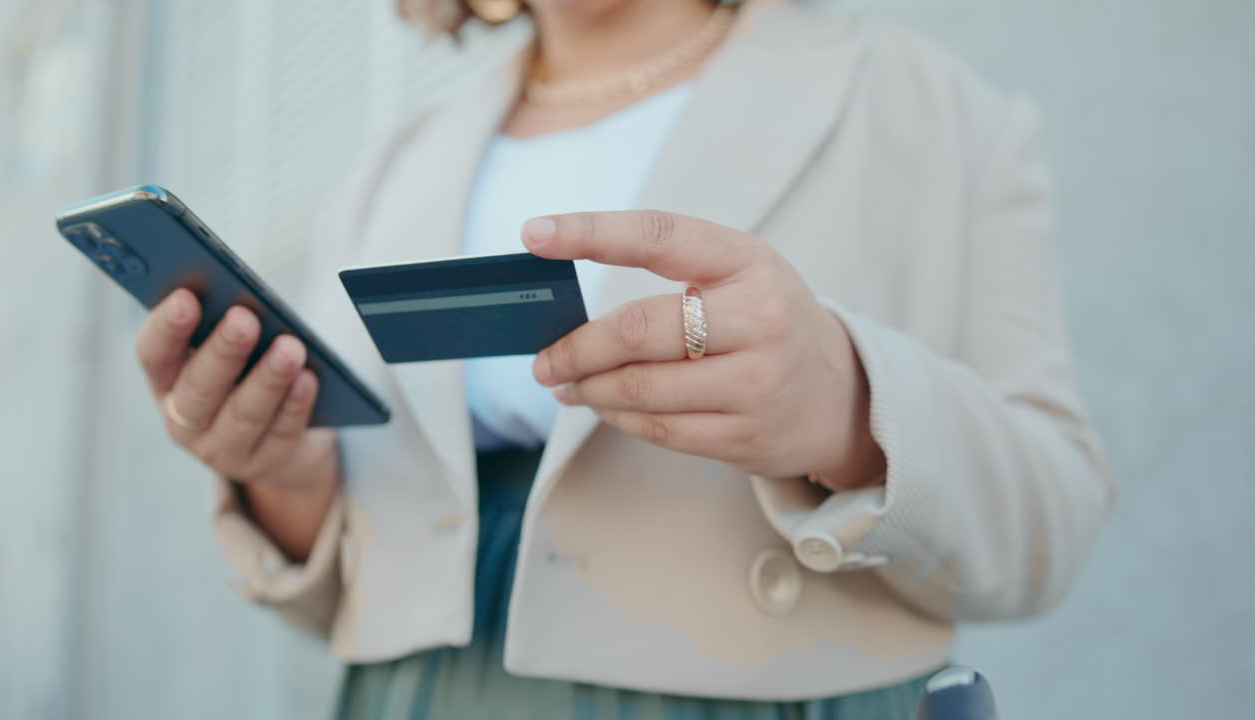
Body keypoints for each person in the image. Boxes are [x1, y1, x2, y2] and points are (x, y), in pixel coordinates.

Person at [134, 0, 1115, 717]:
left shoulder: (939, 115)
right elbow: (362, 576)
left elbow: (1053, 520)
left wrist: (853, 416)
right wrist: (283, 478)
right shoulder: (386, 167)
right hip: (425, 697)